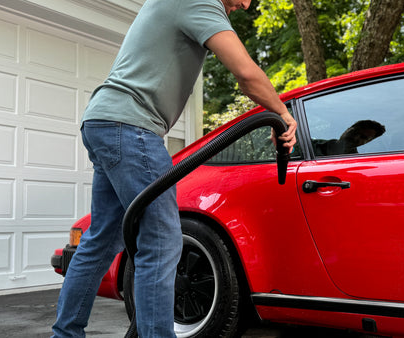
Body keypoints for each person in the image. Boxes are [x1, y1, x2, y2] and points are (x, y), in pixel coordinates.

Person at [51, 0, 296, 337]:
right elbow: (246, 73)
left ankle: (65, 334)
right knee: (163, 241)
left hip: (106, 120)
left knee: (102, 239)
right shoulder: (200, 0)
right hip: (130, 126)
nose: (243, 5)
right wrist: (281, 114)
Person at [313, 120, 385, 156]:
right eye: (355, 132)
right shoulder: (310, 143)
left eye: (363, 137)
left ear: (366, 142)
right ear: (347, 129)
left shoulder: (353, 163)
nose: (355, 137)